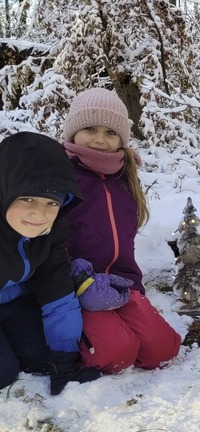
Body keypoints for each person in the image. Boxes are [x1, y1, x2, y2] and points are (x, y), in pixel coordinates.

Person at [62, 88, 181, 373]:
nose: (100, 140)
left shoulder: (124, 176)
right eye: (90, 128)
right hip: (77, 288)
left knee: (163, 350)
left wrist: (133, 287)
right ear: (73, 131)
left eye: (110, 132)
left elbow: (123, 241)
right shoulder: (60, 175)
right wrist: (78, 280)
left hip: (121, 284)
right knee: (116, 355)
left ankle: (120, 323)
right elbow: (41, 241)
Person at [0, 132, 101, 395]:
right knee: (3, 372)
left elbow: (57, 291)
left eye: (51, 203)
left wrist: (65, 361)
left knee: (47, 357)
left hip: (10, 300)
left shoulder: (51, 231)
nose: (39, 213)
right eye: (27, 199)